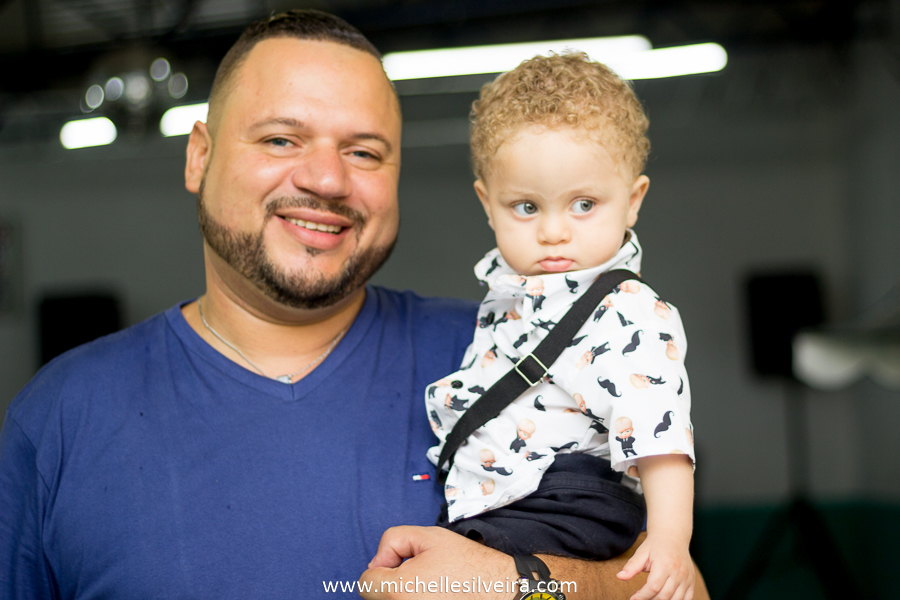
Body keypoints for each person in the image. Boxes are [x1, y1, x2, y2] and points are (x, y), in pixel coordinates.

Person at [0, 10, 708, 600]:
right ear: (199, 157)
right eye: (281, 139)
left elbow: (681, 589)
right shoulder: (63, 416)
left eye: (364, 153)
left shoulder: (498, 352)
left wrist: (522, 585)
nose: (327, 179)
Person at [420, 53, 696, 599]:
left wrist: (670, 539)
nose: (553, 231)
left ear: (632, 201)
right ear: (487, 203)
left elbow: (659, 435)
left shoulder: (627, 310)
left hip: (566, 502)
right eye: (526, 206)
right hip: (515, 503)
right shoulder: (512, 300)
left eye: (584, 204)